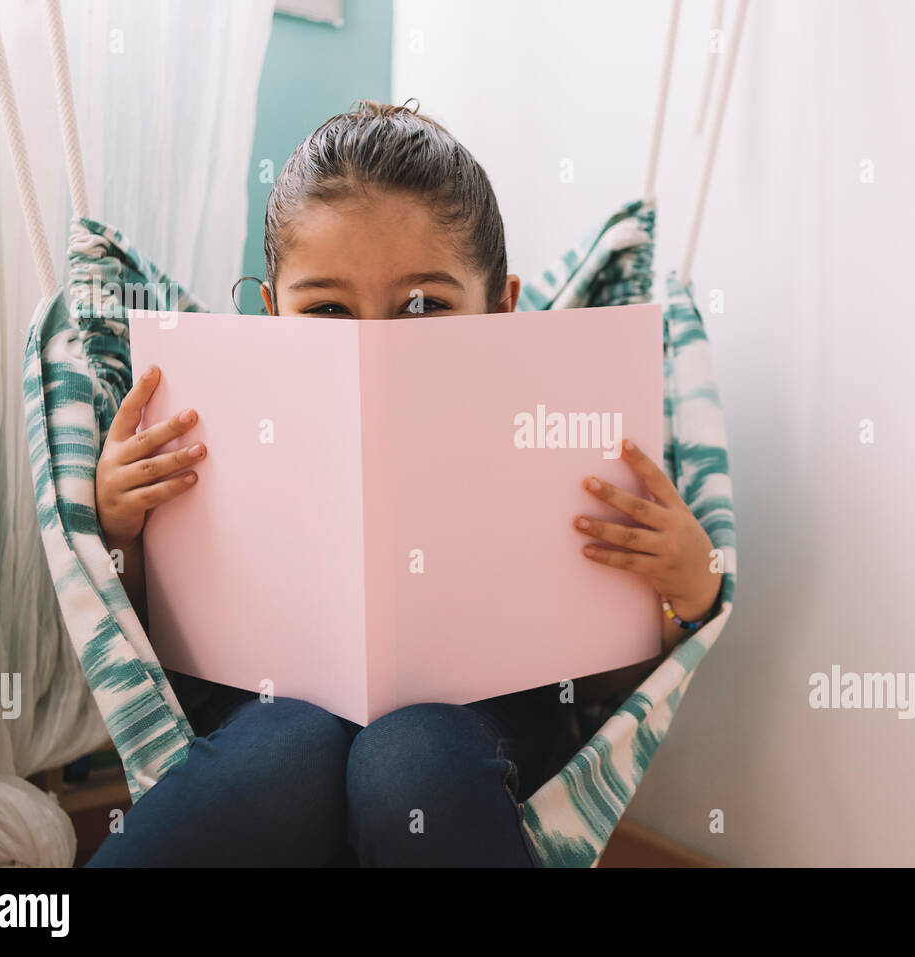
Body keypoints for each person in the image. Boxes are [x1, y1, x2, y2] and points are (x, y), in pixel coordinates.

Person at [86, 100, 722, 866]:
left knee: (409, 759)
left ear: (502, 308)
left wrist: (687, 598)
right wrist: (119, 526)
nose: (374, 346)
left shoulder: (569, 433)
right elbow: (148, 651)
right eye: (326, 308)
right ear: (269, 313)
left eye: (424, 306)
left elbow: (603, 695)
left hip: (479, 733)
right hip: (269, 717)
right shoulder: (202, 421)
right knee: (289, 751)